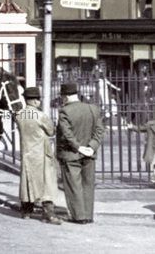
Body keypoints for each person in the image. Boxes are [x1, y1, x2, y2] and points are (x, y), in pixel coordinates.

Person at [57, 82, 105, 224]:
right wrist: (91, 146)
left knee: (73, 186)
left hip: (71, 154)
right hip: (89, 153)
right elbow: (100, 130)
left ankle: (78, 216)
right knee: (88, 184)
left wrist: (78, 147)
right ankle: (88, 215)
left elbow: (67, 134)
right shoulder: (92, 109)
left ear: (65, 96)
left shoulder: (65, 111)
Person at [17, 87, 61, 224]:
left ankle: (26, 211)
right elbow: (51, 131)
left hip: (26, 152)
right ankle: (48, 213)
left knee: (27, 180)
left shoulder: (19, 115)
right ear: (35, 101)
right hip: (41, 153)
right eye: (38, 99)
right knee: (46, 182)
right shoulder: (40, 115)